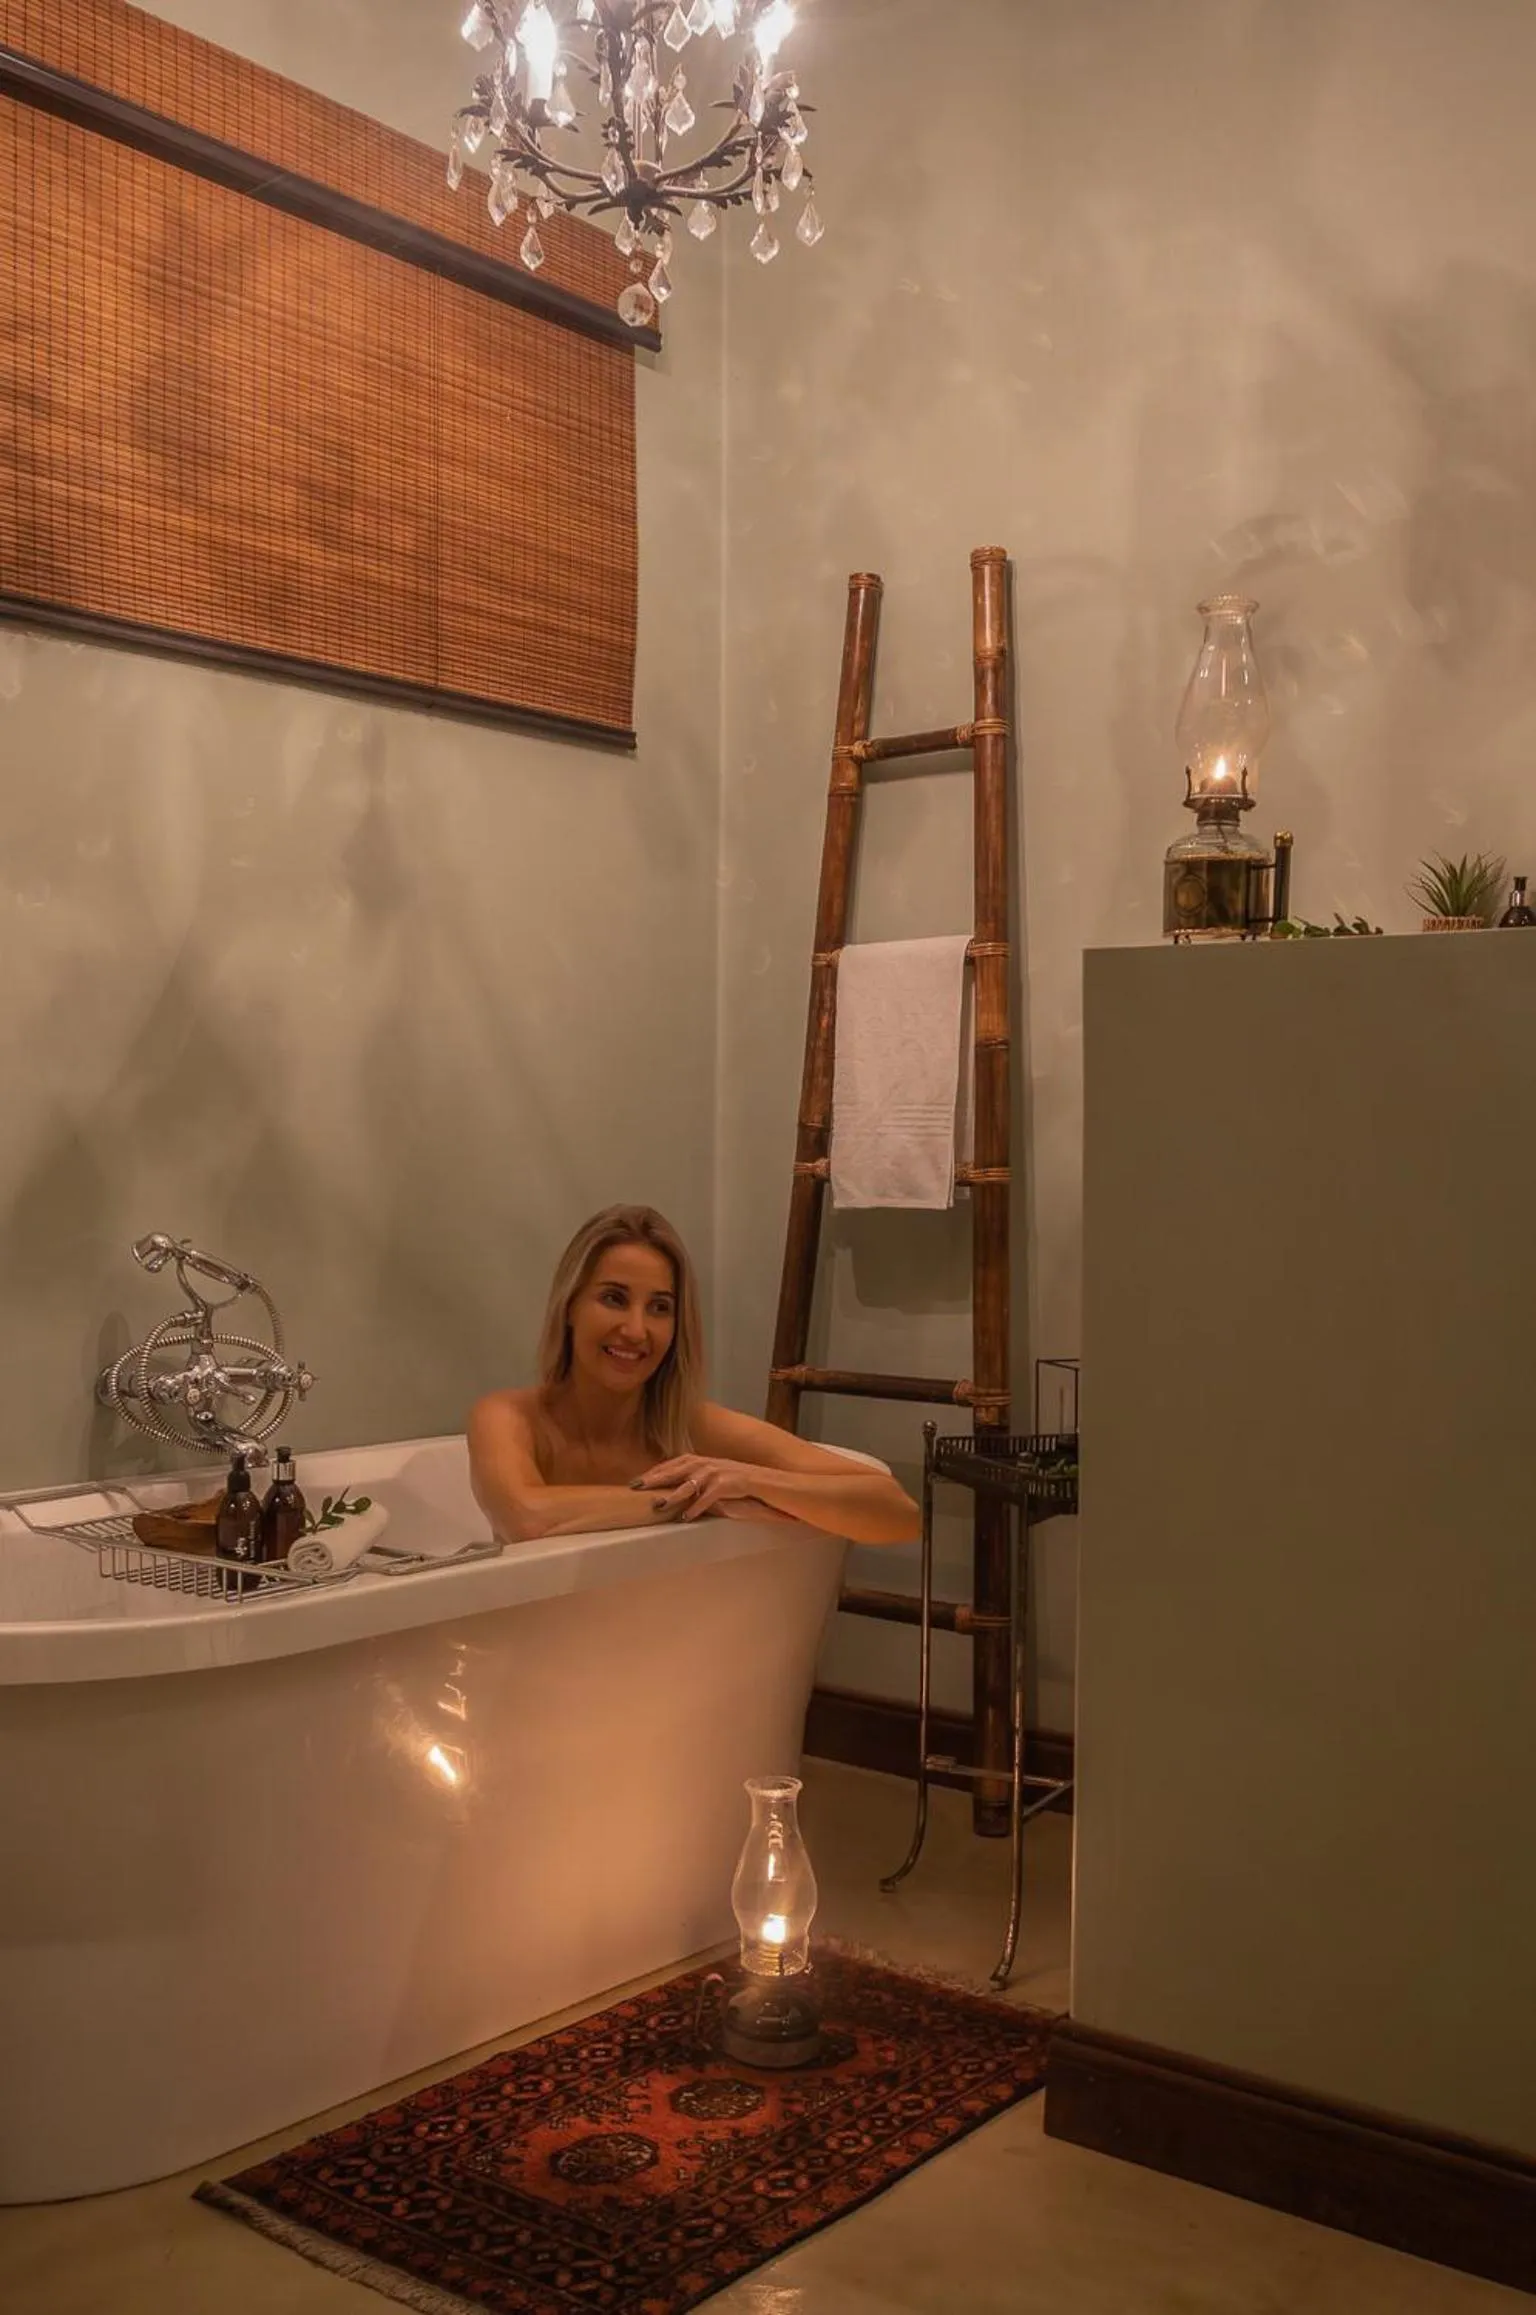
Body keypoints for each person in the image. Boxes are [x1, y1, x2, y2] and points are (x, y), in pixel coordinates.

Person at [468, 1204, 920, 1547]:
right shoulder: (509, 1418)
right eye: (613, 1298)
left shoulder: (691, 1426)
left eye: (660, 1307)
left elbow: (896, 1513)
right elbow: (524, 1517)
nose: (636, 1330)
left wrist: (750, 1482)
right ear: (569, 1307)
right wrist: (693, 1499)